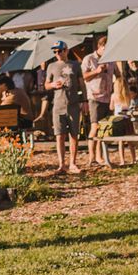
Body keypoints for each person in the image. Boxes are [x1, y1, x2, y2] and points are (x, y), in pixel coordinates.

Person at [44, 40, 84, 175]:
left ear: (66, 50)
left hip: (73, 104)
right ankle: (62, 164)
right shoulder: (51, 66)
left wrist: (84, 101)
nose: (57, 54)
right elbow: (46, 85)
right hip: (58, 104)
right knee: (59, 135)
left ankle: (73, 163)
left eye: (60, 51)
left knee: (74, 134)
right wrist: (53, 85)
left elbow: (81, 83)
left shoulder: (75, 65)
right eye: (55, 51)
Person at [79, 35, 116, 164]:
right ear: (100, 46)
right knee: (94, 126)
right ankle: (91, 156)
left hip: (107, 97)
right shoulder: (89, 59)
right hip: (94, 97)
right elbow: (83, 77)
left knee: (103, 128)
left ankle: (100, 156)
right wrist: (97, 71)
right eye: (106, 48)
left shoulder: (111, 60)